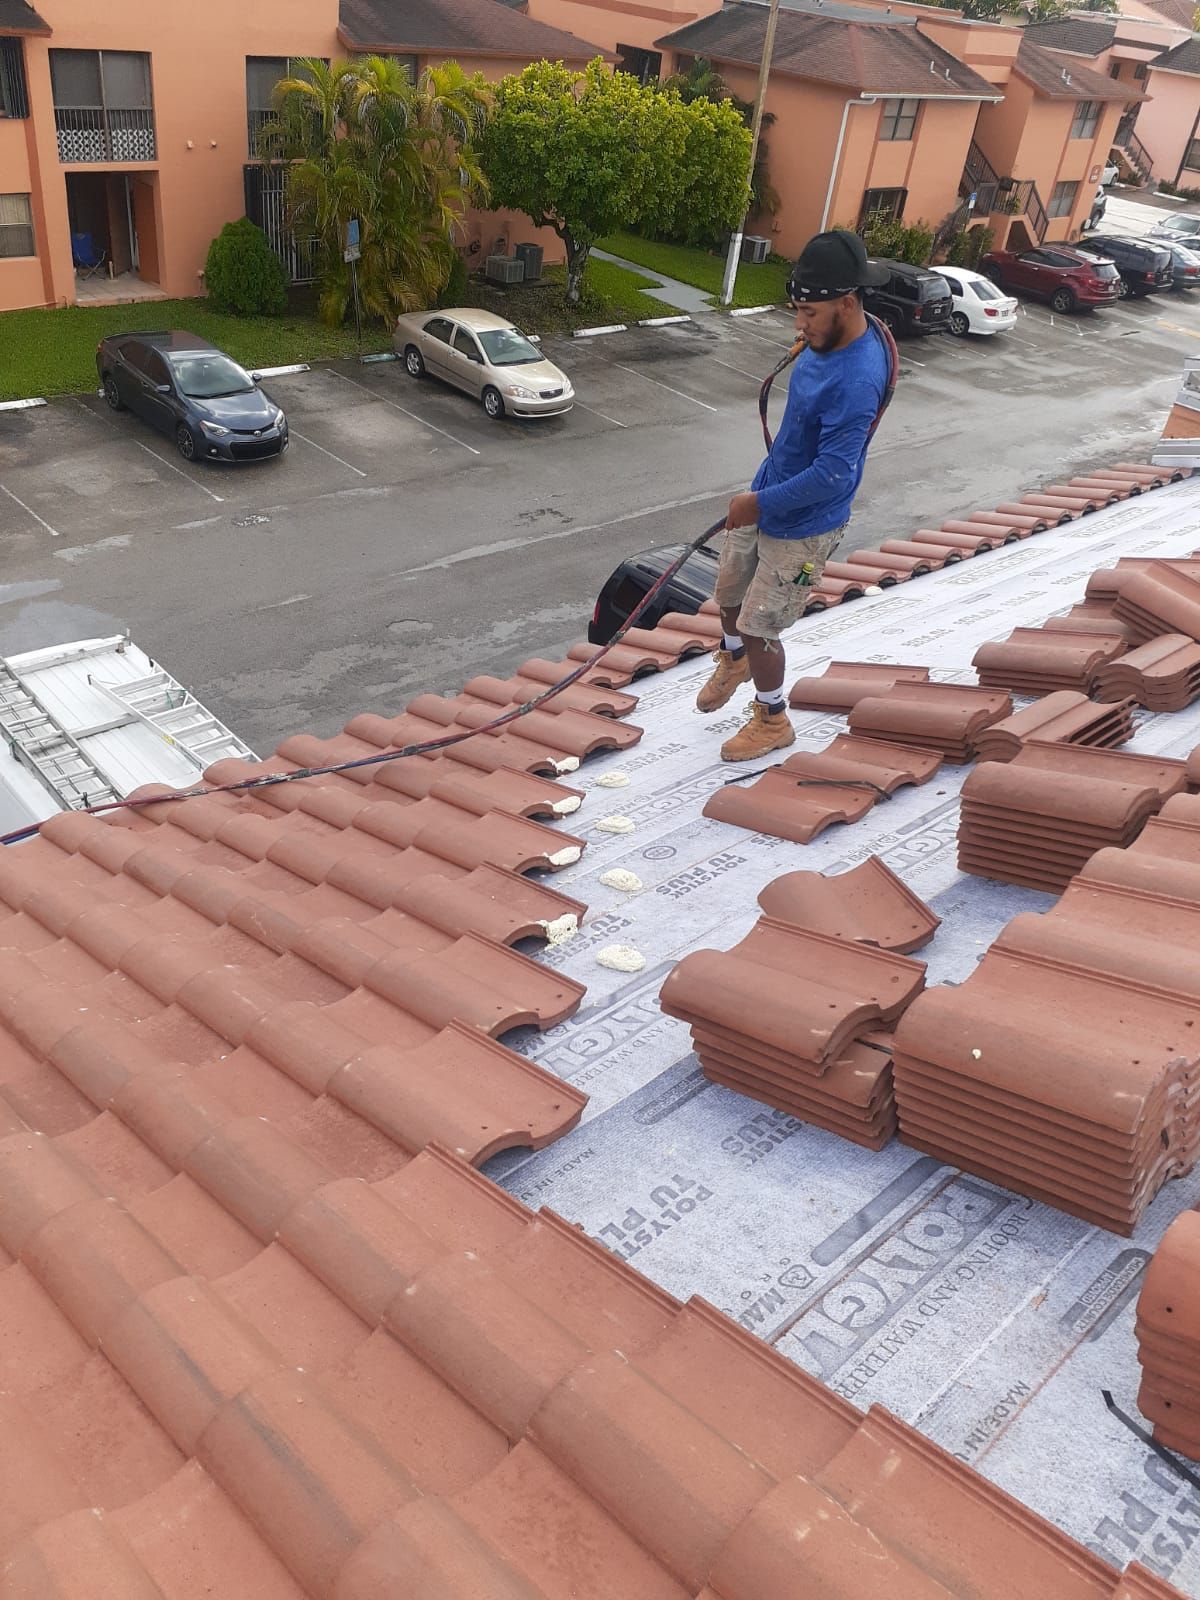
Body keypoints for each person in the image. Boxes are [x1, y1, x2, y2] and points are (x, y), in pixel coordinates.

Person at [696, 228, 892, 762]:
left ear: (847, 304)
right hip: (774, 485)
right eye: (797, 311)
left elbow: (832, 474)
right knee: (729, 591)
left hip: (806, 523)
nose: (799, 324)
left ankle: (771, 718)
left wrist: (756, 504)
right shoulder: (842, 332)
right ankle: (733, 658)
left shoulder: (857, 381)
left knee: (761, 625)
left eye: (809, 313)